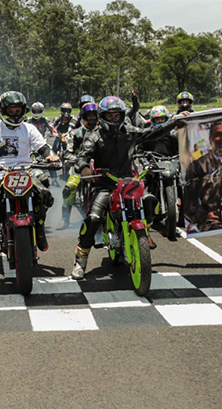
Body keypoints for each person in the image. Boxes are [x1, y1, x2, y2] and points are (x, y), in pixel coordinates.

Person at [71, 96, 180, 280]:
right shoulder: (94, 136)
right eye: (110, 115)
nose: (114, 119)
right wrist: (84, 168)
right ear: (102, 116)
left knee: (149, 202)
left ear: (122, 115)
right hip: (106, 183)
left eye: (117, 115)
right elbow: (82, 157)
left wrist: (175, 124)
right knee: (93, 218)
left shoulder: (130, 131)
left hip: (128, 182)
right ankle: (80, 260)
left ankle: (143, 233)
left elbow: (151, 133)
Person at [0, 91, 60, 279]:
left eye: (18, 110)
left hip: (26, 173)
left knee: (45, 197)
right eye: (11, 110)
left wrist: (50, 155)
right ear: (3, 110)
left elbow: (44, 147)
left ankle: (39, 228)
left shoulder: (29, 129)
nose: (15, 114)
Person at [58, 102, 100, 230]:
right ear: (83, 117)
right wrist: (78, 161)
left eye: (94, 115)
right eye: (89, 116)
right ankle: (65, 219)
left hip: (100, 166)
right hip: (79, 166)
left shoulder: (104, 132)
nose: (92, 118)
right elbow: (68, 152)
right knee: (70, 186)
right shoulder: (75, 133)